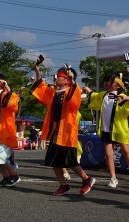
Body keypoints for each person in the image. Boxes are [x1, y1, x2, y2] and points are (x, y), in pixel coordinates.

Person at [30, 63, 95, 196]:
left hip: (66, 132)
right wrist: (37, 70)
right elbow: (41, 85)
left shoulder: (72, 91)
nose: (56, 78)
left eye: (59, 76)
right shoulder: (53, 92)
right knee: (53, 160)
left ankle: (87, 179)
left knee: (70, 161)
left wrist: (72, 78)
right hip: (55, 131)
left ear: (67, 80)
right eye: (57, 76)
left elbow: (73, 99)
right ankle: (63, 185)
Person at [83, 75, 129, 188]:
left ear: (117, 85)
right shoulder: (103, 95)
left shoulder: (122, 96)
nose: (107, 83)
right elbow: (94, 96)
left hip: (120, 129)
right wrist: (88, 90)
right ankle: (113, 178)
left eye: (110, 81)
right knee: (109, 154)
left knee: (126, 150)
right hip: (106, 129)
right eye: (107, 81)